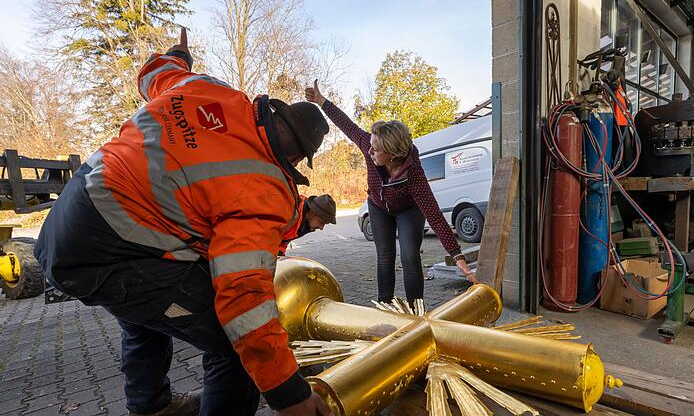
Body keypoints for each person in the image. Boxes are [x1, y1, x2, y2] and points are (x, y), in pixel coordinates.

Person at [34, 28, 333, 416]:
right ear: (297, 160)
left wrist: (179, 55)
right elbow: (243, 298)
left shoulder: (208, 89)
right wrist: (289, 394)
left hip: (66, 221)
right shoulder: (265, 188)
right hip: (107, 252)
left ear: (275, 111)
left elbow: (154, 72)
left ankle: (151, 405)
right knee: (234, 345)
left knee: (143, 307)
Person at [305, 80, 478, 305]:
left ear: (393, 154)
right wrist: (322, 101)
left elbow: (435, 216)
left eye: (375, 149)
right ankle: (384, 306)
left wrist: (457, 256)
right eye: (370, 145)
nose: (369, 150)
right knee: (385, 257)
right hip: (378, 207)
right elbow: (348, 126)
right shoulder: (369, 146)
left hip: (408, 211)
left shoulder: (414, 174)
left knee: (409, 257)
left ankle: (416, 310)